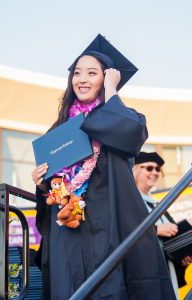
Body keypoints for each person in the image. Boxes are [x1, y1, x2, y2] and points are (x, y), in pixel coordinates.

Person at [31, 34, 176, 300]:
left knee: (108, 286)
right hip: (68, 225)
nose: (82, 79)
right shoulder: (60, 129)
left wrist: (112, 89)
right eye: (77, 73)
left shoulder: (117, 117)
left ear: (106, 78)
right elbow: (56, 183)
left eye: (92, 73)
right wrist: (41, 181)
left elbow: (132, 134)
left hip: (106, 223)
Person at [133, 151, 192, 290]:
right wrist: (157, 230)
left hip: (166, 268)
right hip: (145, 271)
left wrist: (181, 257)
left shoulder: (158, 204)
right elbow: (125, 230)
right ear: (136, 169)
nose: (155, 172)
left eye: (158, 169)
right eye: (149, 168)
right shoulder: (131, 200)